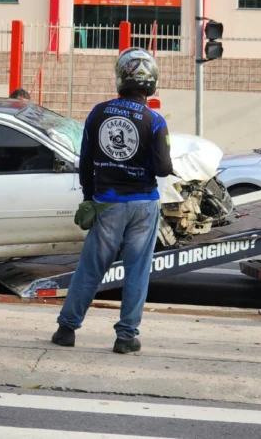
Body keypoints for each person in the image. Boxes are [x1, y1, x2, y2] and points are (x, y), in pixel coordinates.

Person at [51, 47, 173, 354]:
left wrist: (89, 197)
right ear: (152, 82)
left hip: (106, 202)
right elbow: (163, 169)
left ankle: (66, 329)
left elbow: (85, 161)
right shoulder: (155, 121)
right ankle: (126, 336)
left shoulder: (98, 113)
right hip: (143, 205)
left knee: (90, 269)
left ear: (120, 78)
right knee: (137, 271)